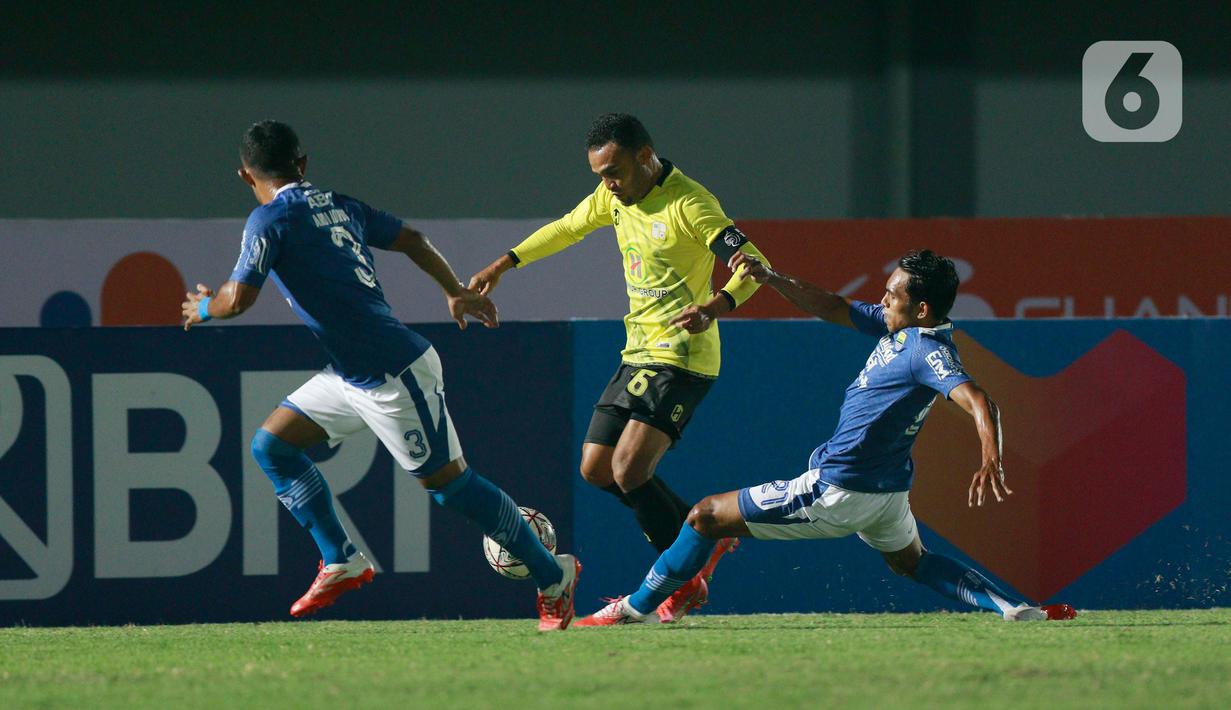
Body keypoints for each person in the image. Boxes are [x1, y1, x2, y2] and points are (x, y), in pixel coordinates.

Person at [181, 120, 580, 631]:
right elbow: (412, 238)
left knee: (452, 489)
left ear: (244, 176)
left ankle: (553, 576)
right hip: (351, 374)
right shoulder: (339, 204)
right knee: (272, 446)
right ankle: (342, 559)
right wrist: (454, 289)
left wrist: (203, 311)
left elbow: (237, 299)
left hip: (395, 372)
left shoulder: (267, 220)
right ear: (303, 165)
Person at [575, 250, 1077, 625]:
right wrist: (771, 279)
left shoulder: (927, 350)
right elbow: (835, 306)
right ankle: (1014, 609)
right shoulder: (897, 329)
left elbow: (977, 398)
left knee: (704, 516)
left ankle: (631, 610)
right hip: (887, 495)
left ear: (922, 310)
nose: (883, 299)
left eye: (893, 294)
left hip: (841, 489)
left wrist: (991, 455)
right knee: (913, 563)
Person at [469, 113, 768, 620]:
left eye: (615, 171)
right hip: (637, 353)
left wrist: (714, 308)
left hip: (682, 356)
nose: (608, 184)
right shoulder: (613, 197)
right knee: (596, 469)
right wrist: (505, 263)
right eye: (600, 175)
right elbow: (567, 228)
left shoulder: (690, 204)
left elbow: (753, 265)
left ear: (645, 156)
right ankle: (702, 542)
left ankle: (680, 578)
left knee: (630, 470)